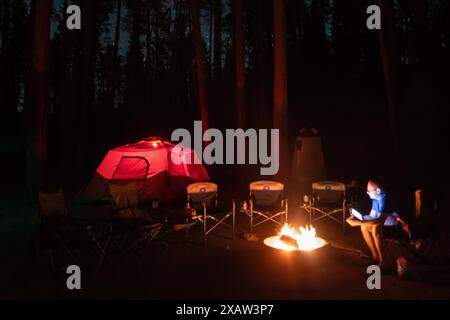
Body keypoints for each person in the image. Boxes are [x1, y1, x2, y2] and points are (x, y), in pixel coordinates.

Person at [346, 180, 401, 269]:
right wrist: (359, 218)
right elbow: (372, 216)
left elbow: (378, 221)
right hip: (383, 223)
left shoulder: (387, 200)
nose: (367, 193)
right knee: (364, 227)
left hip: (396, 226)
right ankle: (375, 257)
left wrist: (358, 223)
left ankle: (385, 263)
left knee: (376, 228)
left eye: (369, 191)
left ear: (378, 190)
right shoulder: (376, 199)